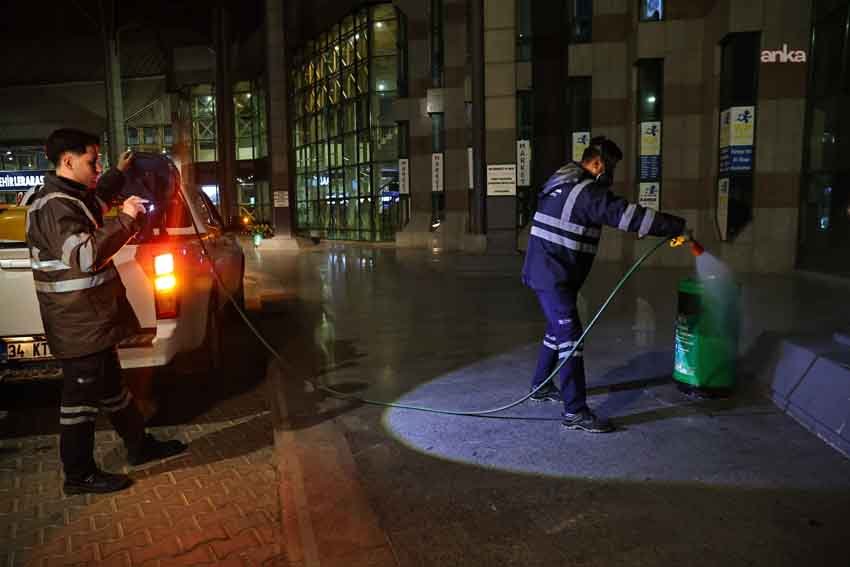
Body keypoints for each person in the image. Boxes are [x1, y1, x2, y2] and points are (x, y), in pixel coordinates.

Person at [26, 128, 186, 494]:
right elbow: (84, 256)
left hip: (92, 320)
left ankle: (139, 445)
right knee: (79, 403)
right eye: (91, 161)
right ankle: (78, 474)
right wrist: (127, 218)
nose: (97, 166)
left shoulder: (71, 197)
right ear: (67, 161)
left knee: (114, 389)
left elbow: (97, 200)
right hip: (77, 324)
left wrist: (117, 174)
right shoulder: (53, 205)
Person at [522, 137, 686, 433]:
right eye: (609, 167)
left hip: (550, 270)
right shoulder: (585, 192)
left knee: (556, 329)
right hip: (553, 274)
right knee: (570, 336)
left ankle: (541, 385)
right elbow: (628, 215)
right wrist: (675, 225)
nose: (610, 174)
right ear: (596, 162)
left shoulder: (562, 183)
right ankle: (575, 411)